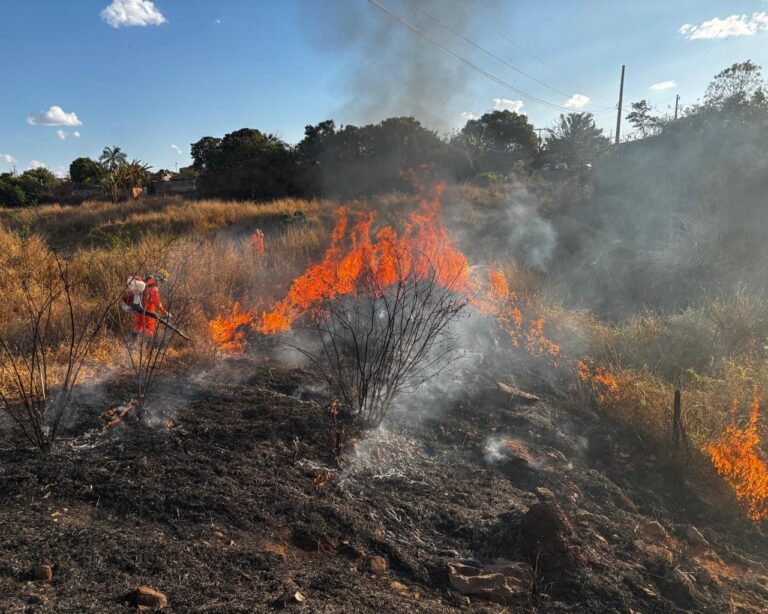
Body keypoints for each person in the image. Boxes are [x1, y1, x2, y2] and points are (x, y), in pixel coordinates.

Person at [132, 270, 169, 338]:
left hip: (140, 308)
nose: (161, 283)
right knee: (150, 329)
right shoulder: (154, 288)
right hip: (148, 312)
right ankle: (144, 346)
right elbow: (157, 303)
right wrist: (165, 312)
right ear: (159, 279)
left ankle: (131, 343)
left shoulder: (147, 281)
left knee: (138, 325)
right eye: (162, 281)